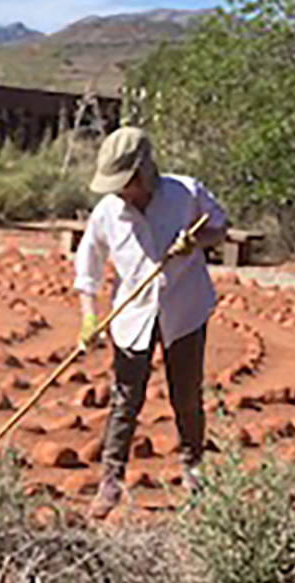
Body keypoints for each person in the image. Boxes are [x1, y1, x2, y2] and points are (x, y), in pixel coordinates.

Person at [73, 127, 231, 520]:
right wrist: (89, 317)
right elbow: (87, 269)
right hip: (133, 314)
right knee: (125, 400)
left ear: (143, 173)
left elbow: (220, 227)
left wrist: (197, 242)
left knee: (187, 397)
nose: (120, 191)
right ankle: (111, 479)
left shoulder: (185, 193)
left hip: (185, 309)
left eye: (125, 182)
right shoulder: (107, 212)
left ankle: (193, 471)